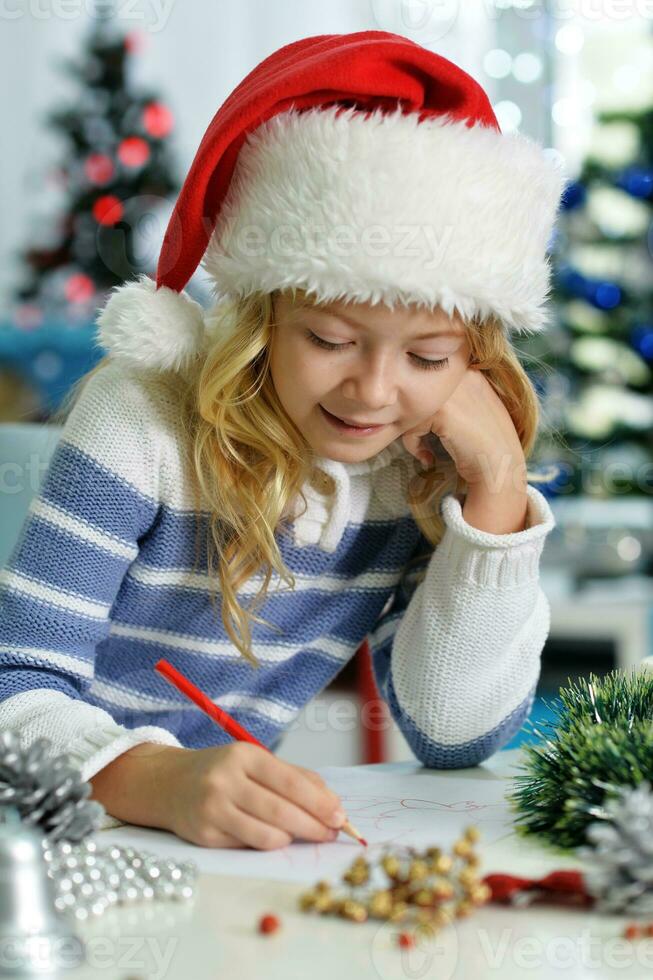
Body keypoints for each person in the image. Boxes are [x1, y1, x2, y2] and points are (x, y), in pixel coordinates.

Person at [0, 30, 565, 851]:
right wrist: (146, 776)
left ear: (473, 360)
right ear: (261, 321)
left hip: (203, 867)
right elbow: (15, 681)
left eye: (427, 356)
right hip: (38, 836)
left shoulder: (411, 465)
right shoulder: (139, 417)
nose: (372, 391)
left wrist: (498, 494)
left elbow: (454, 735)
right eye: (330, 340)